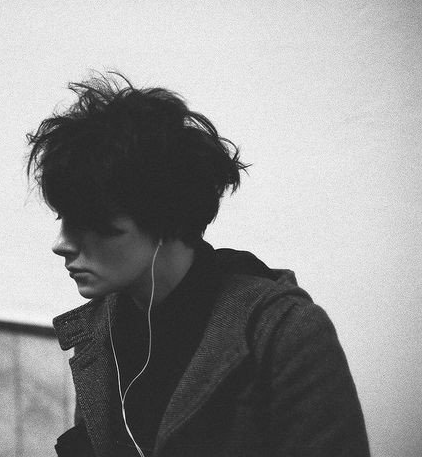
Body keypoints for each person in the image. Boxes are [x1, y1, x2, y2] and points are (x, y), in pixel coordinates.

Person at [26, 74, 369, 456]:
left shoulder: (283, 332)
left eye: (90, 224)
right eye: (64, 219)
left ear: (166, 220)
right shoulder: (100, 329)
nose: (61, 245)